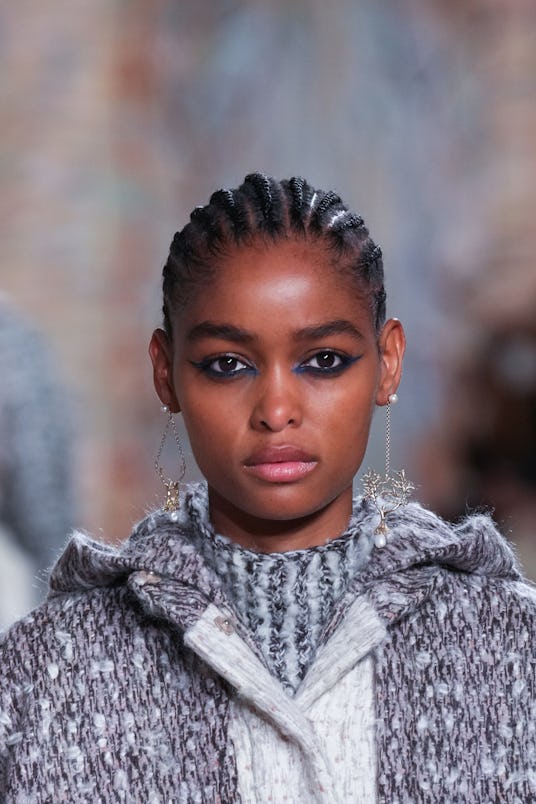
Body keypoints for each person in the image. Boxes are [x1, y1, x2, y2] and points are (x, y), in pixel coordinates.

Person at [0, 174, 534, 802]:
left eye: (324, 360)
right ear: (166, 374)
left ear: (388, 362)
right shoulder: (53, 667)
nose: (276, 409)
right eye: (228, 364)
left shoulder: (511, 646)